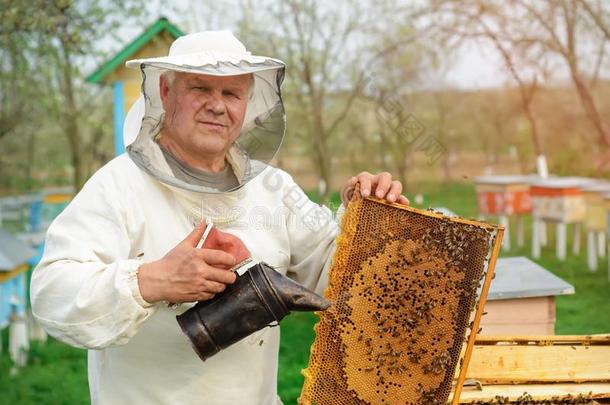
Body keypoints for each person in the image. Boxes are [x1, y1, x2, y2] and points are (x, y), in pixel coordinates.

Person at [30, 31, 409, 405]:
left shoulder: (273, 189)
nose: (217, 105)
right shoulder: (119, 186)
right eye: (200, 89)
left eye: (231, 93)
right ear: (165, 92)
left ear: (247, 104)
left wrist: (367, 220)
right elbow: (51, 292)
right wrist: (153, 280)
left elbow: (341, 281)